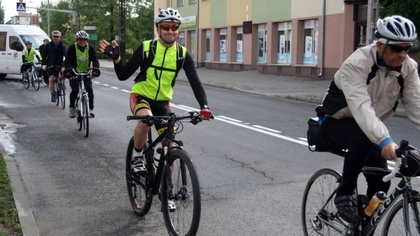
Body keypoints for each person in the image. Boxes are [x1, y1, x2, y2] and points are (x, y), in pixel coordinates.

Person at [314, 15, 420, 223]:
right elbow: (361, 108)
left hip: (370, 129)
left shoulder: (408, 68)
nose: (402, 54)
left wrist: (381, 139)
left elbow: (417, 105)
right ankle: (343, 195)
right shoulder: (357, 63)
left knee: (382, 180)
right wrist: (385, 140)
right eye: (397, 49)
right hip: (336, 121)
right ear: (380, 45)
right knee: (362, 138)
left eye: (407, 48)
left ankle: (362, 222)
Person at [99, 7, 212, 174]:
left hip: (163, 102)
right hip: (141, 96)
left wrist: (204, 106)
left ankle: (167, 193)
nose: (170, 31)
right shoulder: (147, 48)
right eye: (166, 27)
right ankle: (137, 156)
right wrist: (117, 60)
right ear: (158, 28)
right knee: (145, 120)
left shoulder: (182, 54)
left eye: (174, 27)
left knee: (171, 147)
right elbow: (123, 76)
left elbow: (195, 82)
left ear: (179, 30)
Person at [63, 31, 100, 118]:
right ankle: (72, 109)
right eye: (80, 39)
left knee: (89, 90)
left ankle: (90, 109)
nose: (82, 41)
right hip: (74, 72)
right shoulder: (72, 48)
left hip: (86, 72)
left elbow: (95, 60)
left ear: (86, 40)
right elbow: (67, 60)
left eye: (84, 39)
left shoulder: (90, 48)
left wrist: (95, 69)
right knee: (75, 90)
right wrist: (68, 69)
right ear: (77, 40)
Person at [42, 30, 66, 102]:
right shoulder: (48, 46)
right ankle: (53, 94)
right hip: (51, 64)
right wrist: (44, 64)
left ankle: (62, 83)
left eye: (57, 37)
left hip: (60, 64)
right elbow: (44, 55)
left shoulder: (62, 45)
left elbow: (66, 54)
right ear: (52, 37)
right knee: (51, 79)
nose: (56, 38)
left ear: (60, 37)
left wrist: (66, 64)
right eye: (54, 36)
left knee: (65, 72)